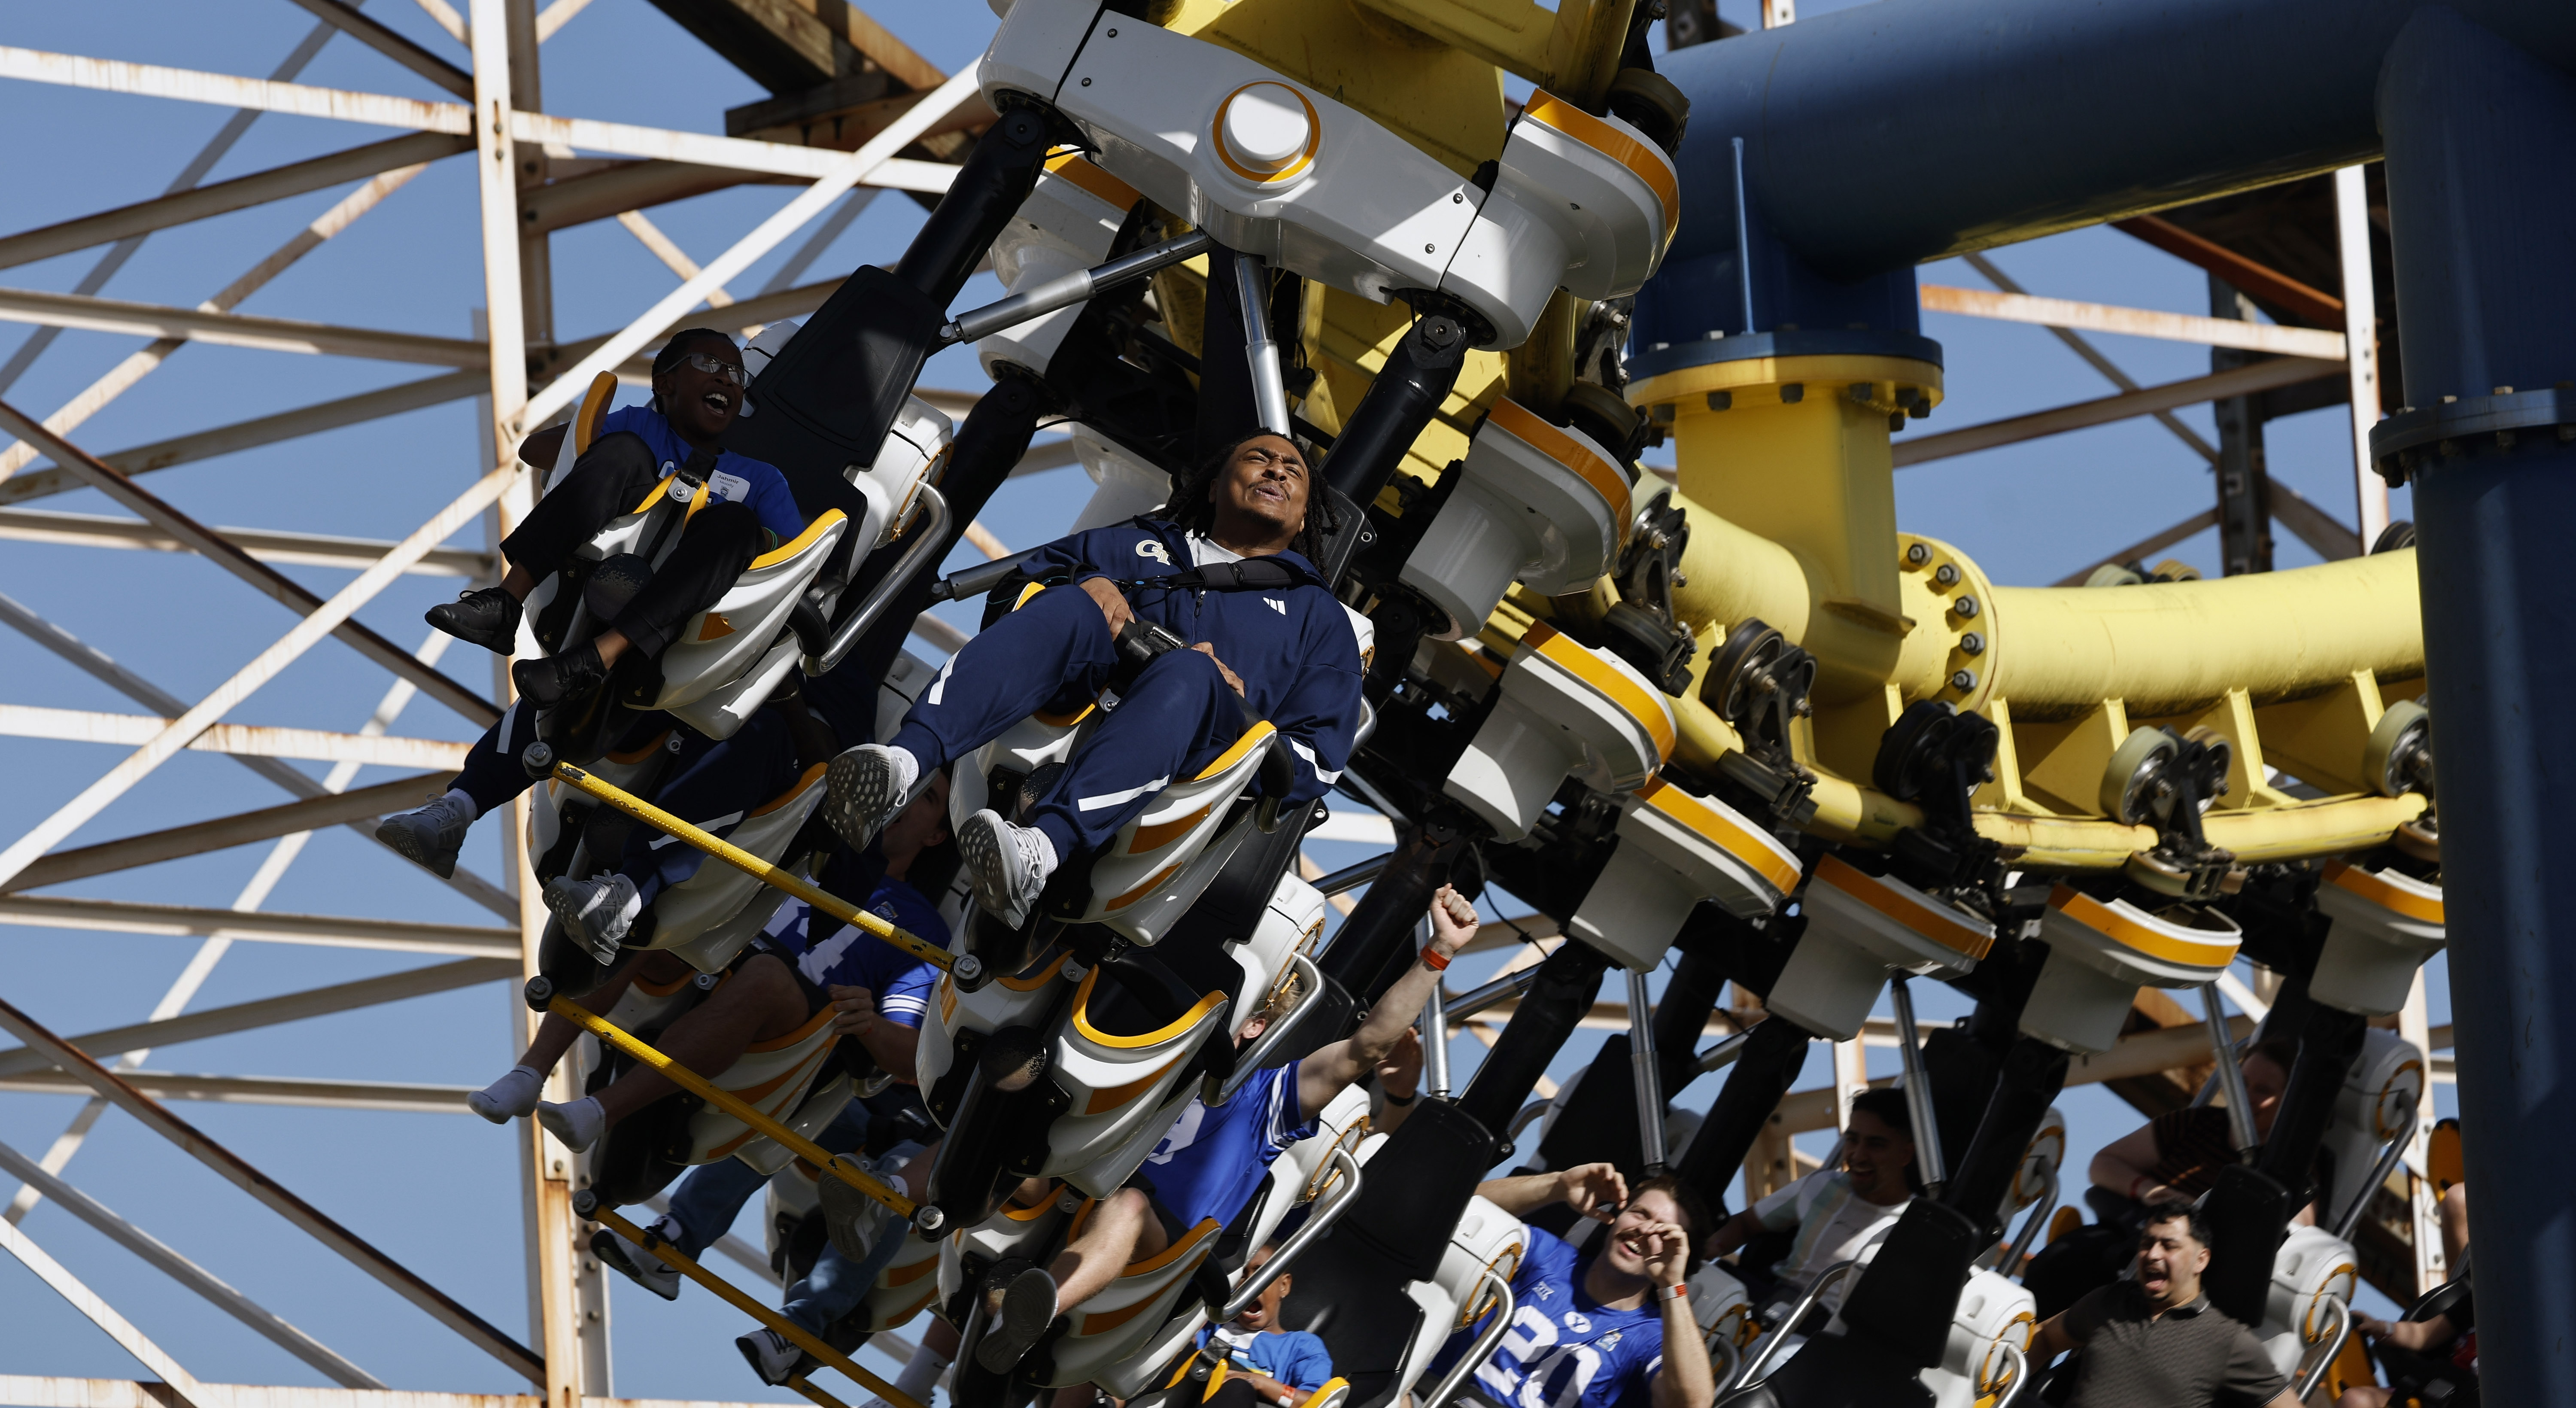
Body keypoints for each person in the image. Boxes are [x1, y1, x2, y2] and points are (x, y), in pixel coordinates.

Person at [820, 430, 1361, 927]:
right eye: (1259, 459)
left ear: (1306, 515)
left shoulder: (1320, 620)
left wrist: (1243, 714)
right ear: (1216, 486)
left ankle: (1041, 851)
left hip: (1186, 774)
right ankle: (904, 765)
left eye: (1293, 470)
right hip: (1070, 711)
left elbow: (1313, 761)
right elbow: (1016, 590)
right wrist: (1089, 581)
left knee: (1193, 674)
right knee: (1069, 606)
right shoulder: (1138, 544)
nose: (1276, 471)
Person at [969, 884, 1482, 1378]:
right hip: (1060, 1191)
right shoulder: (1152, 1058)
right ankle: (919, 1196)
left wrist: (1437, 951)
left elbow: (1364, 1048)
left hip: (1148, 1246)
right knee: (1024, 1119)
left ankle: (1034, 1310)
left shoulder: (1268, 1099)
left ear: (1255, 1023)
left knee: (1127, 1206)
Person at [377, 328, 802, 880]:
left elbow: (800, 565)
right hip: (591, 592)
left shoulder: (758, 480)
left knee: (736, 526)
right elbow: (538, 451)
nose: (726, 377)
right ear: (666, 383)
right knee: (622, 453)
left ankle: (597, 660)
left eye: (736, 374)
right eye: (708, 363)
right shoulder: (639, 427)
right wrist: (595, 442)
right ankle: (506, 604)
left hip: (681, 637)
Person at [462, 773, 954, 1156]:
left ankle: (597, 1114)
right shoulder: (818, 836)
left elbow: (914, 1056)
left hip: (789, 1014)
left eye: (927, 799)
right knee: (656, 916)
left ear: (935, 837)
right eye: (909, 787)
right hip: (719, 945)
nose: (908, 801)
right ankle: (529, 1073)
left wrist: (868, 1026)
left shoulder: (921, 927)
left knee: (764, 977)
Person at [1440, 1164, 1717, 1408]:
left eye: (1663, 1232)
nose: (1644, 1230)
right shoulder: (1546, 1256)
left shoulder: (1653, 1339)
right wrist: (1556, 1186)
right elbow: (1454, 1212)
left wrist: (1672, 1283)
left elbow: (1693, 1404)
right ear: (1617, 1215)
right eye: (1640, 1213)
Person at [2028, 1199, 2298, 1408]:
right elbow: (2045, 1337)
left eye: (2169, 1246)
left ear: (2201, 1260)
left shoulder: (2227, 1339)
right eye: (2147, 1243)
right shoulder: (2110, 1300)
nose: (2152, 1254)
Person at [1700, 1086, 1919, 1314]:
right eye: (1852, 1140)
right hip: (1767, 1302)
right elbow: (1745, 1223)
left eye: (1876, 1145)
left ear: (1905, 1154)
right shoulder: (1821, 1186)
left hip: (1822, 1333)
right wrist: (1711, 1247)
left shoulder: (1914, 1228)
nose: (1858, 1155)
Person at [2089, 1040, 2296, 1207]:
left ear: (2287, 1103)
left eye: (2263, 1091)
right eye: (2243, 1084)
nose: (2245, 1096)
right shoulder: (2196, 1122)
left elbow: (2299, 1235)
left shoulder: (2289, 1166)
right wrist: (2149, 1190)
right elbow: (2104, 1163)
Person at [1189, 1241, 1338, 1408]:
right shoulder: (1213, 1323)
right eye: (1243, 1275)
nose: (1250, 1283)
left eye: (1260, 1272)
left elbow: (1313, 1402)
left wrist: (1257, 1382)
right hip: (1190, 1394)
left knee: (1238, 1388)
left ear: (1284, 1285)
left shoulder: (1301, 1346)